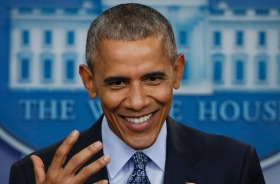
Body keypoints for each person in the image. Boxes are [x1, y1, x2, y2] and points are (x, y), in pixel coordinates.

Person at [9, 3, 265, 184]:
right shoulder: (34, 174)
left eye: (152, 79)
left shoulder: (234, 164)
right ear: (90, 81)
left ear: (176, 72)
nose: (137, 101)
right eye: (118, 83)